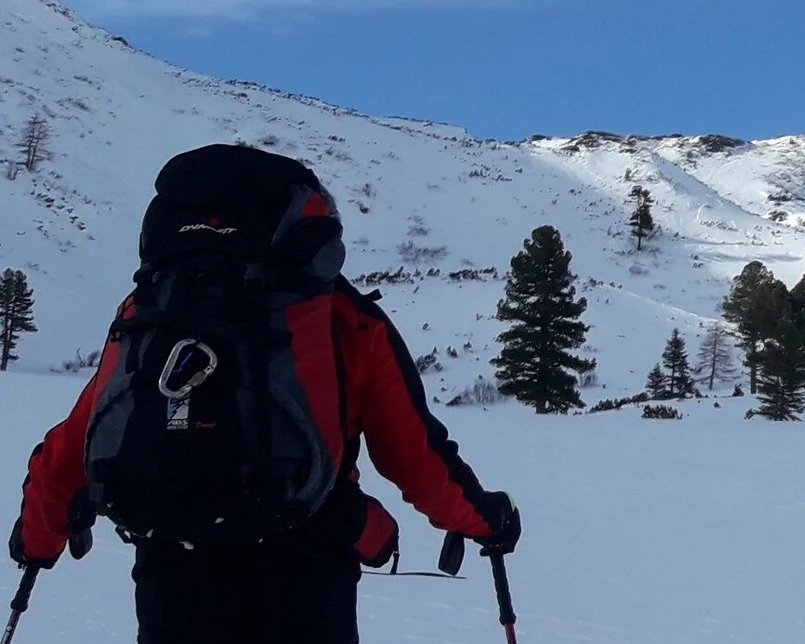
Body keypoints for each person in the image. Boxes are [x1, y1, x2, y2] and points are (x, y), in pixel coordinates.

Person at [7, 144, 521, 644]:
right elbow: (415, 455)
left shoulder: (151, 314)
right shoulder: (342, 319)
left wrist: (37, 541)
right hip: (305, 568)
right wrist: (483, 520)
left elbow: (76, 441)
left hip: (172, 568)